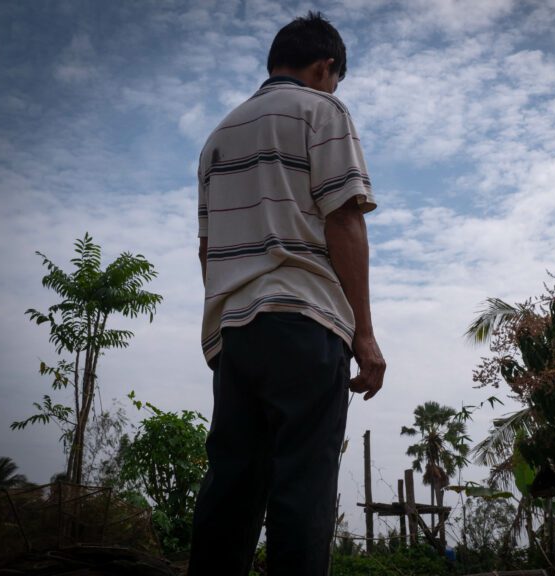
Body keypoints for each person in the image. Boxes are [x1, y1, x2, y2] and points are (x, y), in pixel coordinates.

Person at [187, 11, 386, 576]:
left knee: (231, 488)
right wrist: (365, 335)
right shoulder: (322, 111)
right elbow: (344, 221)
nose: (334, 87)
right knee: (302, 489)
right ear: (325, 67)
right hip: (305, 320)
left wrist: (226, 331)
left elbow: (207, 251)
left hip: (235, 333)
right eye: (335, 77)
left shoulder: (217, 137)